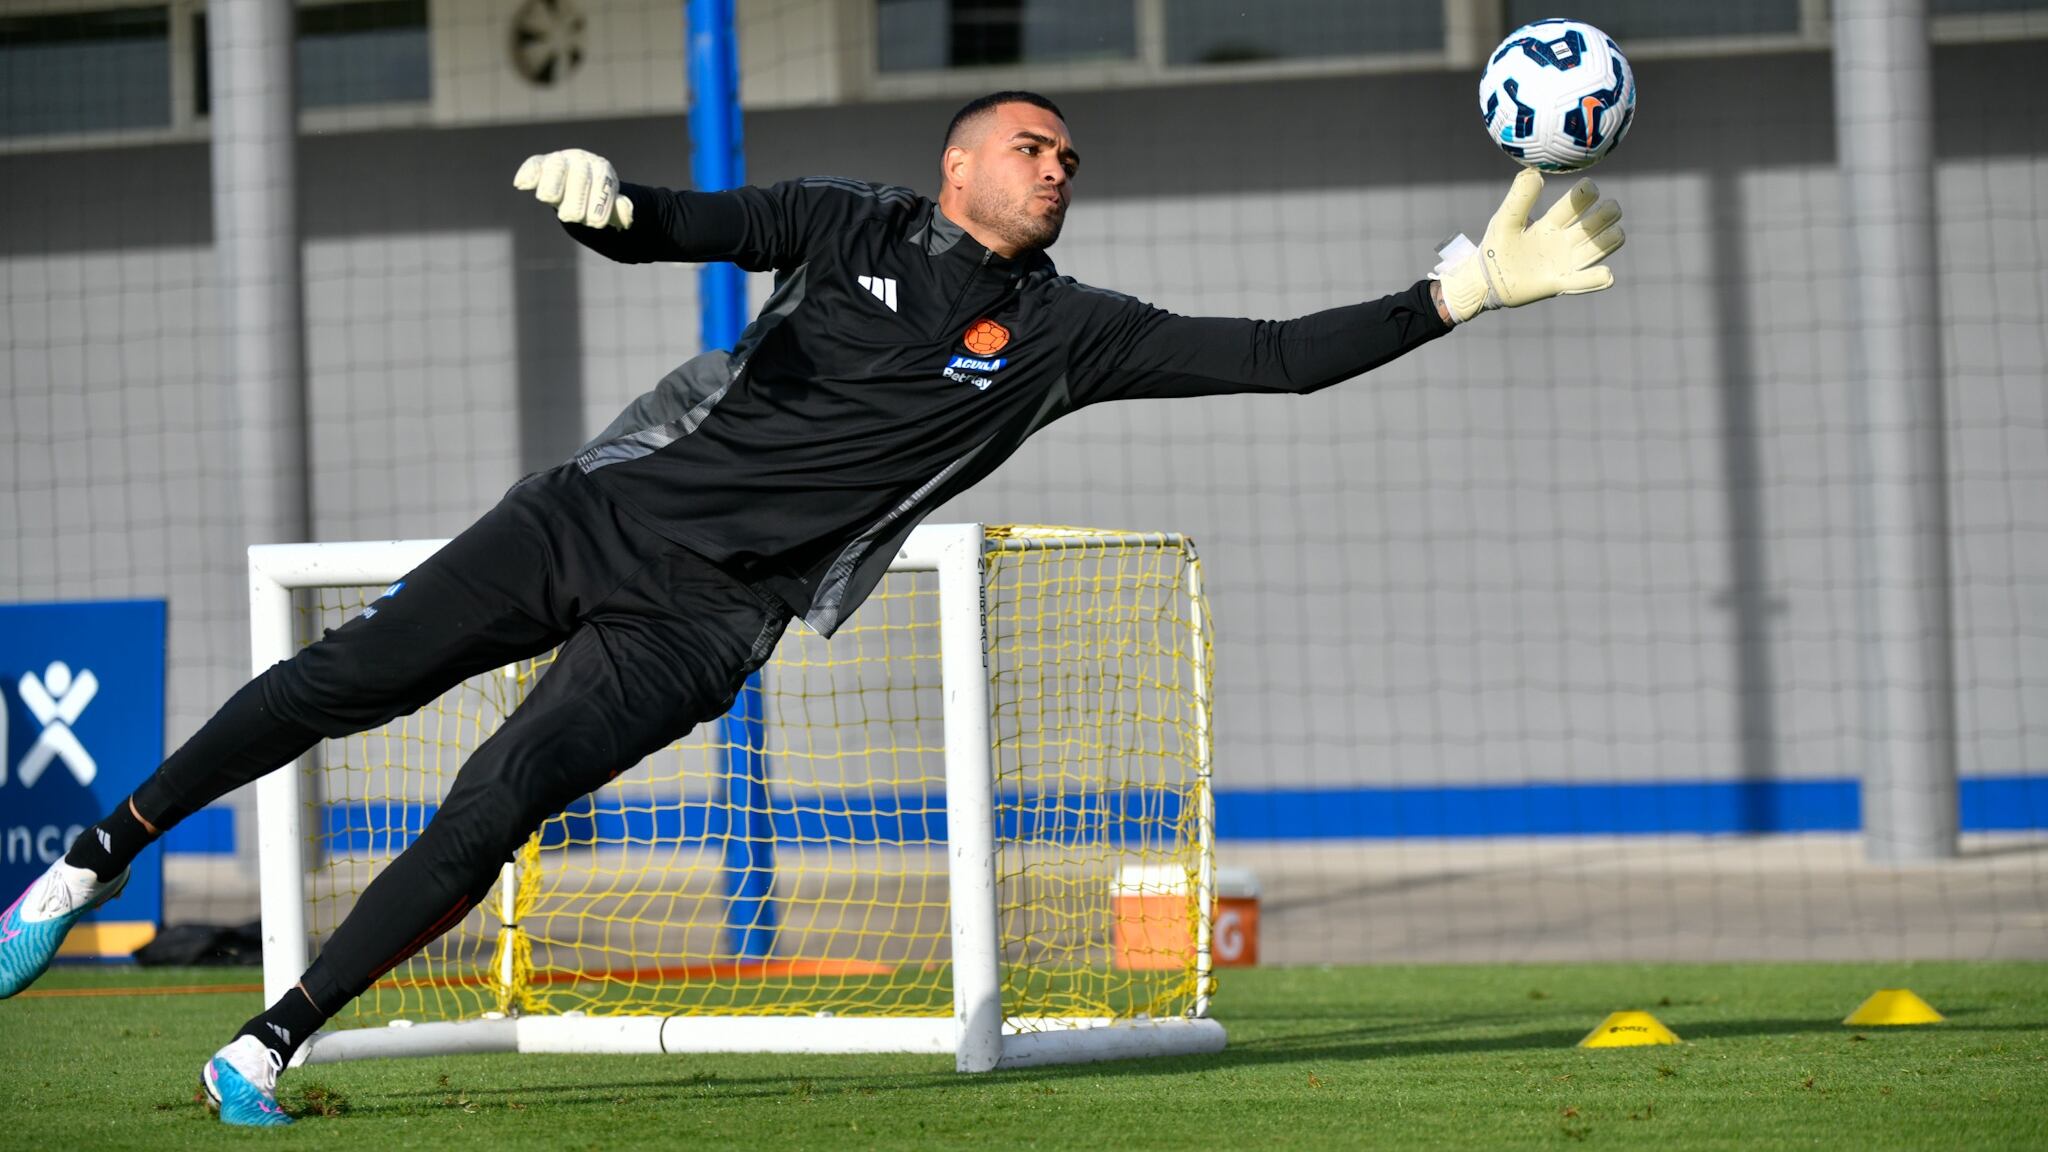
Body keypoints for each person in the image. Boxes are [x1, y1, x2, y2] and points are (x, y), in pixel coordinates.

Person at [0, 91, 1623, 1125]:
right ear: (960, 164)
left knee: (494, 805)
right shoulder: (849, 223)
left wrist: (1452, 297)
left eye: (1072, 158)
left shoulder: (1070, 336)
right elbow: (684, 230)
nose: (1060, 168)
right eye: (1035, 145)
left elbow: (1267, 354)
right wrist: (606, 201)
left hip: (704, 632)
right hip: (590, 519)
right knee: (351, 678)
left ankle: (271, 1046)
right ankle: (87, 863)